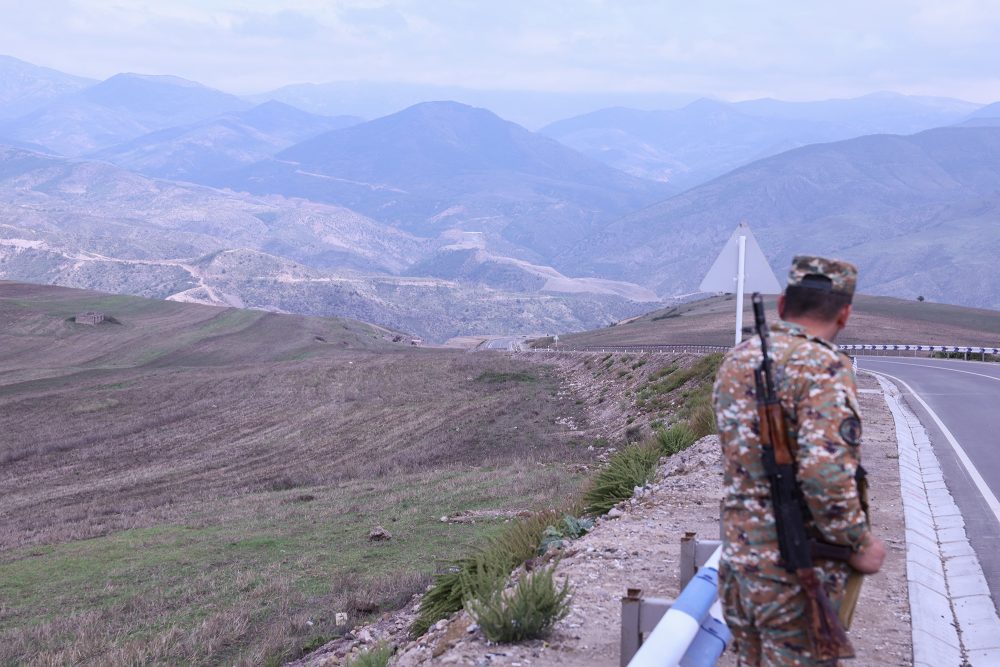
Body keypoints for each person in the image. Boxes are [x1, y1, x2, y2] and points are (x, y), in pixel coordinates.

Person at [712, 255, 887, 666]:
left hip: (739, 568)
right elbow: (825, 476)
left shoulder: (736, 361)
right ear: (844, 315)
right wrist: (859, 543)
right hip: (795, 574)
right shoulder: (825, 368)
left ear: (781, 304)